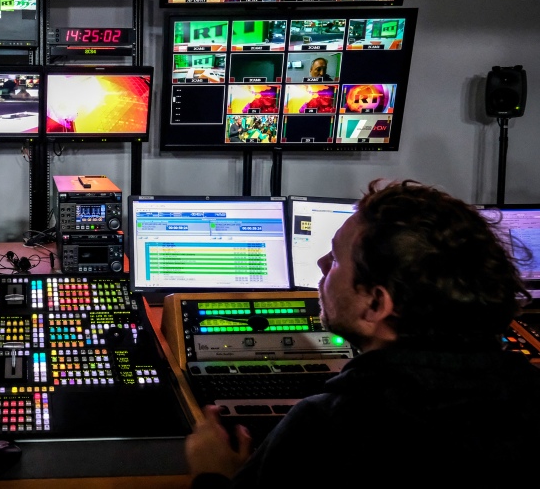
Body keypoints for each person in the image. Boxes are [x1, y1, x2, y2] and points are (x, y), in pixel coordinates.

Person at [185, 180, 540, 488]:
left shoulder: (328, 428)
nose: (322, 264)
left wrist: (215, 475)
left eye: (337, 259)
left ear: (376, 303)